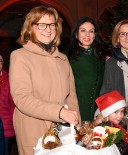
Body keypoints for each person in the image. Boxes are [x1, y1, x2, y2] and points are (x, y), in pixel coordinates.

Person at [9, 6, 80, 155]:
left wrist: (76, 123)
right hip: (33, 127)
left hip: (63, 130)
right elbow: (22, 99)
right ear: (30, 28)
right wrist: (59, 112)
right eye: (41, 24)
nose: (48, 29)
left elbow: (71, 96)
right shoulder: (20, 56)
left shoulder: (62, 59)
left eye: (52, 24)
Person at [68, 17, 105, 121]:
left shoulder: (101, 58)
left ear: (95, 35)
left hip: (97, 114)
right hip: (76, 112)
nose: (87, 35)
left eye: (91, 31)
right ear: (76, 34)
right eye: (83, 30)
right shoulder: (68, 59)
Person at [95, 90, 128, 155]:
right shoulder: (101, 129)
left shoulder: (125, 127)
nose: (120, 115)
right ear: (107, 113)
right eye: (116, 112)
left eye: (122, 111)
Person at [0, 54, 15, 155]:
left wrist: (12, 119)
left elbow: (12, 103)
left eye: (0, 61)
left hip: (4, 124)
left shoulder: (8, 79)